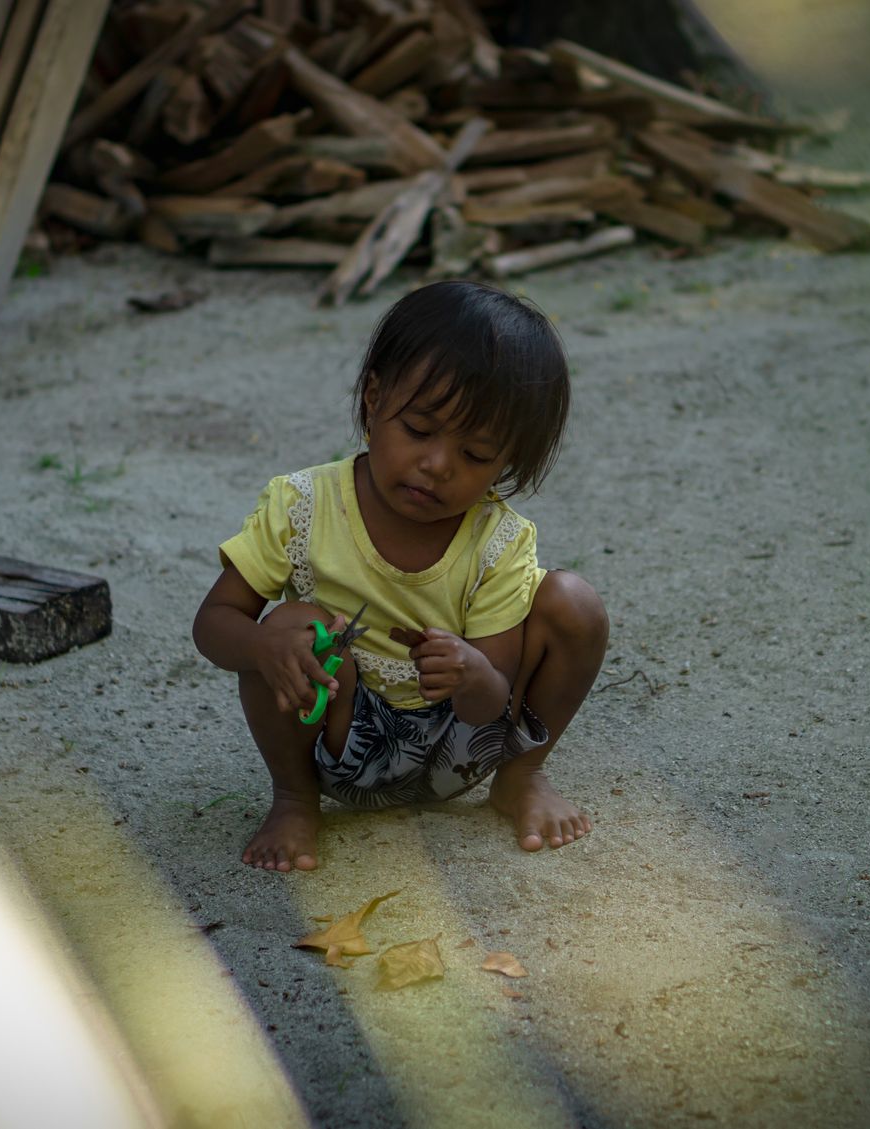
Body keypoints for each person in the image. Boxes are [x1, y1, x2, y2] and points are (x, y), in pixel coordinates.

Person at [192, 280, 610, 872]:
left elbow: (489, 705)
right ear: (373, 398)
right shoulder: (302, 505)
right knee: (292, 628)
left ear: (506, 460)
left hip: (461, 751)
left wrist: (471, 672)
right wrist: (263, 644)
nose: (437, 465)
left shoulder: (498, 540)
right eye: (418, 430)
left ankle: (523, 778)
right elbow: (213, 624)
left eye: (475, 454)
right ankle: (294, 799)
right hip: (339, 741)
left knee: (574, 602)